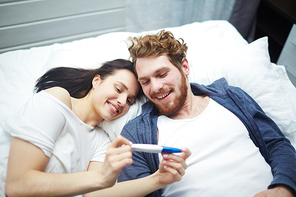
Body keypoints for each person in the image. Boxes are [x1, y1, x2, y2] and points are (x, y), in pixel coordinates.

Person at [117, 30, 296, 197]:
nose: (155, 87)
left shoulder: (232, 97)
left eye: (162, 74)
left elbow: (277, 145)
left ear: (184, 66)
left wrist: (283, 188)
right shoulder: (135, 135)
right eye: (145, 81)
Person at [0, 59, 143, 196]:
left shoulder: (102, 141)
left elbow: (97, 193)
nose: (122, 102)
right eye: (118, 89)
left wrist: (158, 179)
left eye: (130, 101)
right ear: (96, 81)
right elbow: (18, 185)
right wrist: (100, 177)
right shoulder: (59, 98)